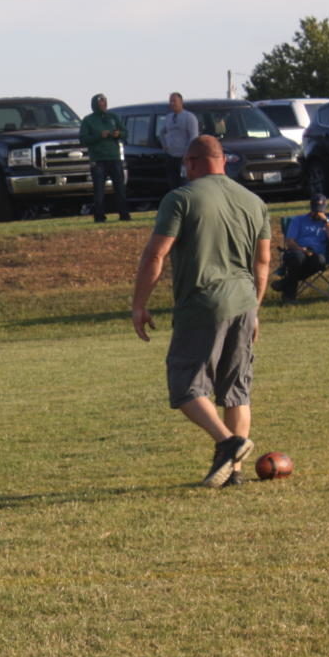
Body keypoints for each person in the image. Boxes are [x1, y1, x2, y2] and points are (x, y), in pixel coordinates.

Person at [131, 135, 270, 488]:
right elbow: (263, 262)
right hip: (244, 300)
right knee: (236, 388)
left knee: (185, 385)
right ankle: (233, 475)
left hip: (203, 302)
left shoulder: (181, 199)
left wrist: (139, 304)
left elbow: (155, 255)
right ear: (224, 160)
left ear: (191, 162)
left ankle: (228, 443)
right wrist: (255, 309)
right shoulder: (254, 202)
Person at [273, 192, 329, 302]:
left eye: (320, 209)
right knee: (298, 258)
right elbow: (290, 241)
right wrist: (302, 249)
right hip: (298, 251)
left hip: (318, 255)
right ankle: (289, 297)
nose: (317, 213)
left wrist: (326, 221)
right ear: (311, 207)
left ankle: (285, 283)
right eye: (315, 210)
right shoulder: (298, 220)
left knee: (319, 260)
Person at [79, 93, 131, 222]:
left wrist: (118, 134)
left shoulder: (113, 117)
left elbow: (125, 133)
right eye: (100, 104)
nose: (103, 105)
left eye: (104, 103)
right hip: (98, 160)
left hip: (115, 158)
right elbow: (83, 139)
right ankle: (99, 216)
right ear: (95, 105)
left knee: (120, 188)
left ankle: (124, 214)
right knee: (99, 190)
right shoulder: (88, 120)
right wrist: (99, 136)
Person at [158, 92, 200, 190]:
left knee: (184, 184)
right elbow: (162, 132)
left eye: (174, 101)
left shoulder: (189, 117)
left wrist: (187, 154)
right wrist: (164, 145)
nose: (172, 103)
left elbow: (193, 136)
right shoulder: (168, 117)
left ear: (181, 102)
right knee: (173, 183)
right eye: (170, 101)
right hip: (171, 156)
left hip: (183, 157)